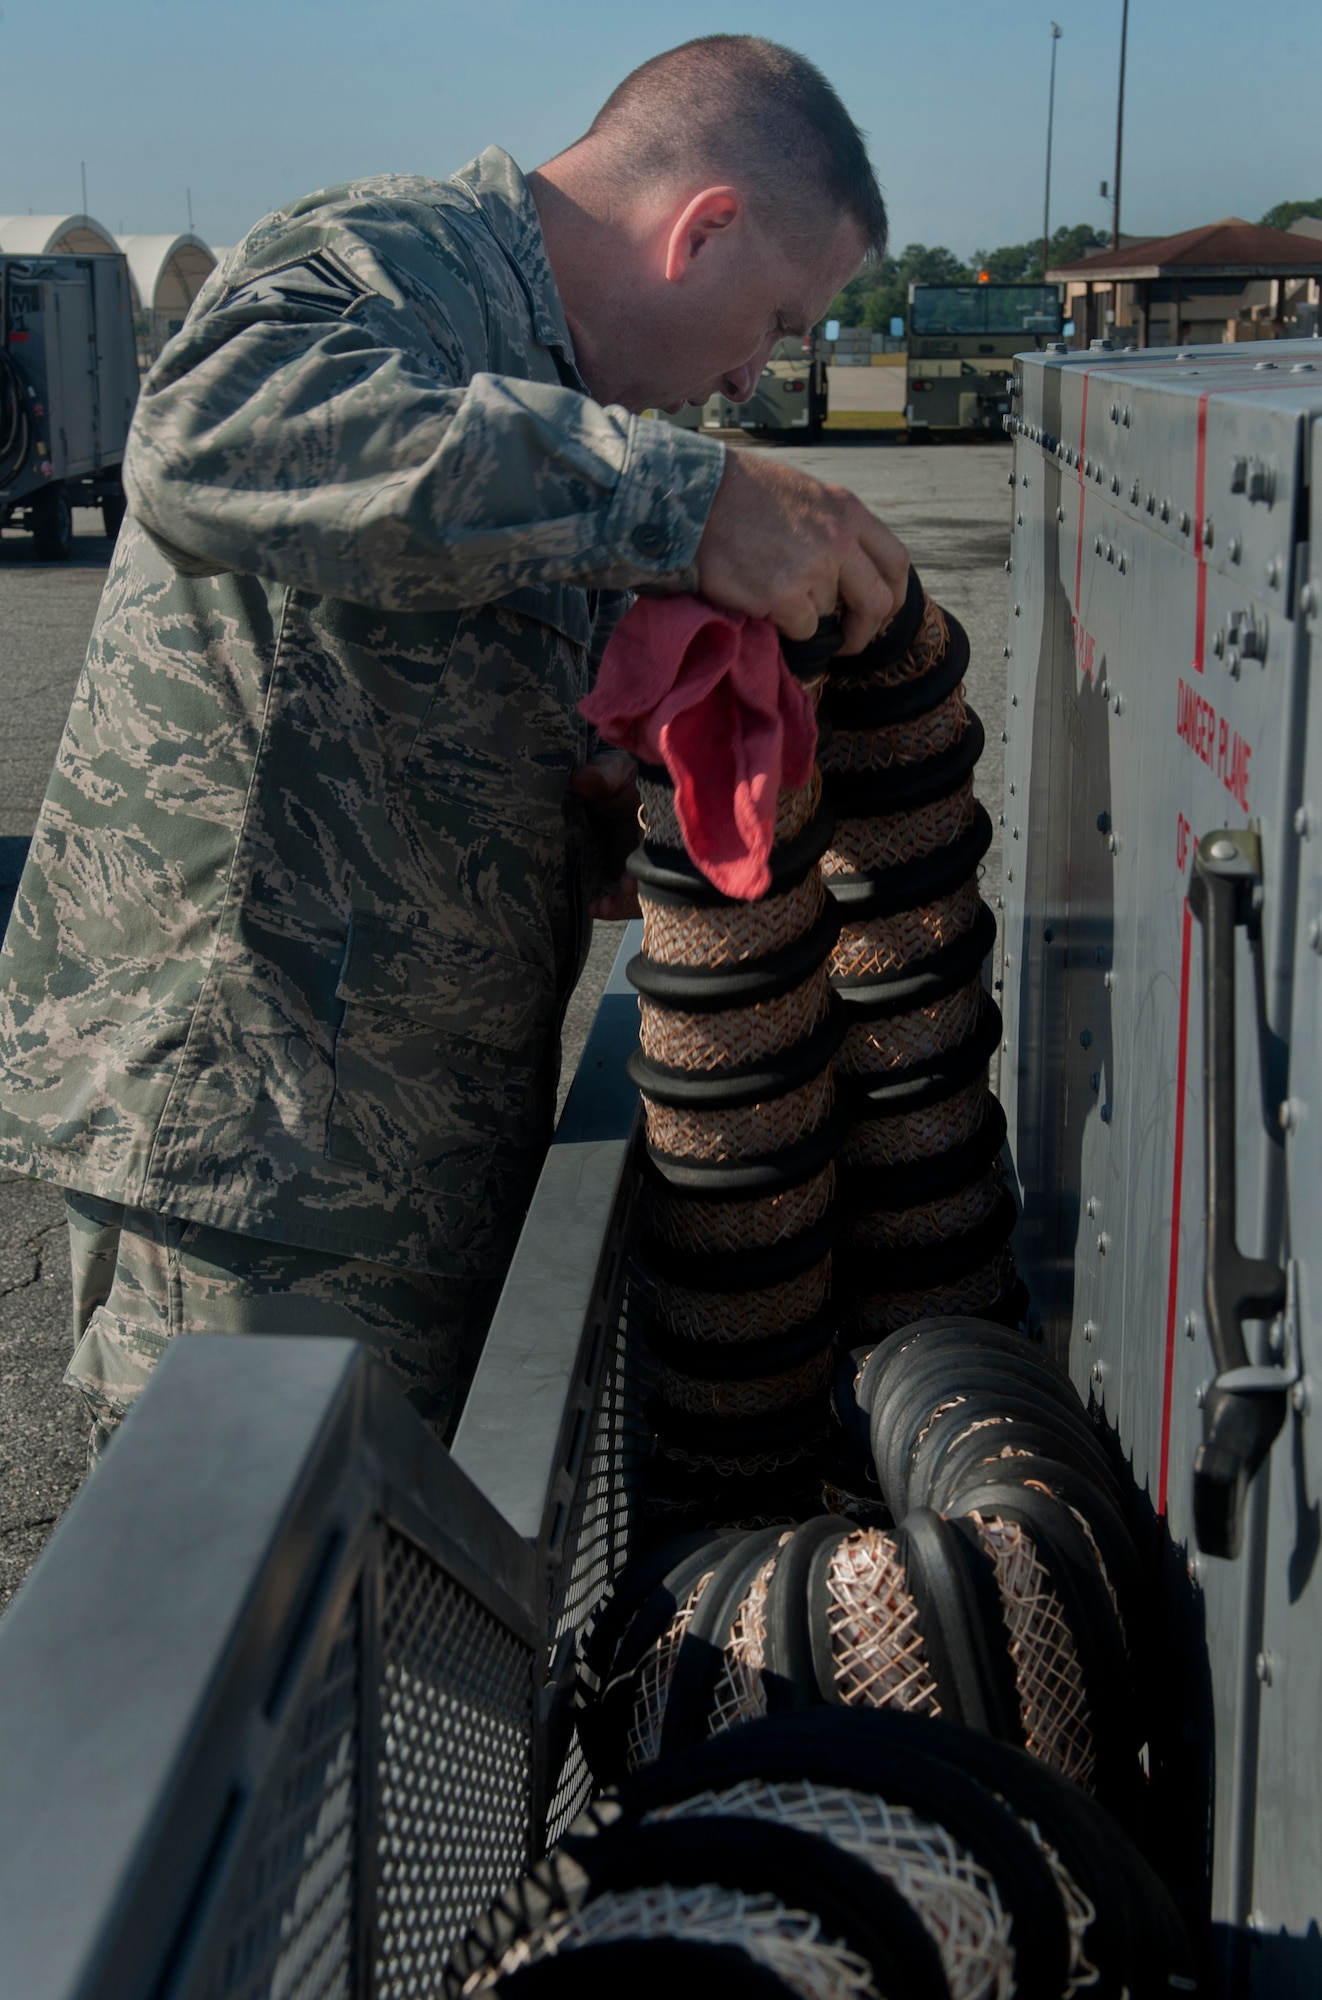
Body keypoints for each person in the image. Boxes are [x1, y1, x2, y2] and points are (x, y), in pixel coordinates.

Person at [0, 35, 908, 1459]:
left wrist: (580, 808)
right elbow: (209, 439)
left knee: (372, 1617)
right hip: (265, 1141)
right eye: (777, 321)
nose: (752, 377)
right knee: (254, 1628)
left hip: (394, 1141)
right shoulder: (398, 262)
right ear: (706, 227)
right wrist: (689, 498)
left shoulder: (561, 389)